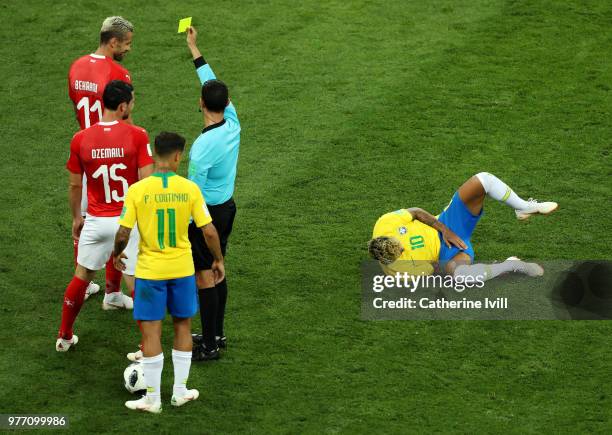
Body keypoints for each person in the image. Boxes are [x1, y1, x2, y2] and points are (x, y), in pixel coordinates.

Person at [113, 132, 225, 413]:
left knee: (151, 332)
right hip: (182, 270)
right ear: (177, 156)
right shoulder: (189, 189)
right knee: (182, 326)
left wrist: (117, 254)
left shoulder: (137, 190)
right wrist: (218, 260)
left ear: (154, 155)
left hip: (150, 272)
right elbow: (208, 231)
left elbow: (124, 232)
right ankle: (179, 392)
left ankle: (152, 398)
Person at [56, 80, 154, 352]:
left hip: (96, 220)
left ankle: (64, 336)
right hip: (127, 222)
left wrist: (77, 217)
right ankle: (147, 346)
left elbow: (75, 185)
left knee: (82, 276)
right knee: (135, 281)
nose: (133, 106)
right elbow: (146, 183)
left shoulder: (81, 139)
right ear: (122, 106)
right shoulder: (138, 135)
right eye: (132, 102)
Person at [368, 172, 558, 281]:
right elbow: (435, 270)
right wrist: (450, 259)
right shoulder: (399, 271)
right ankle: (510, 265)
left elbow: (416, 211)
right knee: (461, 275)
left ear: (388, 237)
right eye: (401, 252)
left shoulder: (385, 223)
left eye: (399, 243)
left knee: (483, 180)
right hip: (449, 254)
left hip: (447, 223)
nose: (404, 247)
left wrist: (445, 230)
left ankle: (523, 207)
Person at [68, 16, 135, 301]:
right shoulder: (119, 73)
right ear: (113, 42)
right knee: (119, 219)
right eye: (127, 44)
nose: (128, 49)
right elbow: (125, 120)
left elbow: (76, 108)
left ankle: (83, 285)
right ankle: (112, 292)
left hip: (85, 153)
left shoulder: (75, 67)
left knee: (85, 219)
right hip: (112, 156)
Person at [185, 26, 240, 361]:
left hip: (206, 214)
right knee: (220, 268)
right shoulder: (233, 123)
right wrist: (195, 49)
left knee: (205, 275)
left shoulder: (203, 147)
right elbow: (214, 84)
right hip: (227, 209)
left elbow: (193, 192)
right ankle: (217, 335)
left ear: (201, 104)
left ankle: (208, 345)